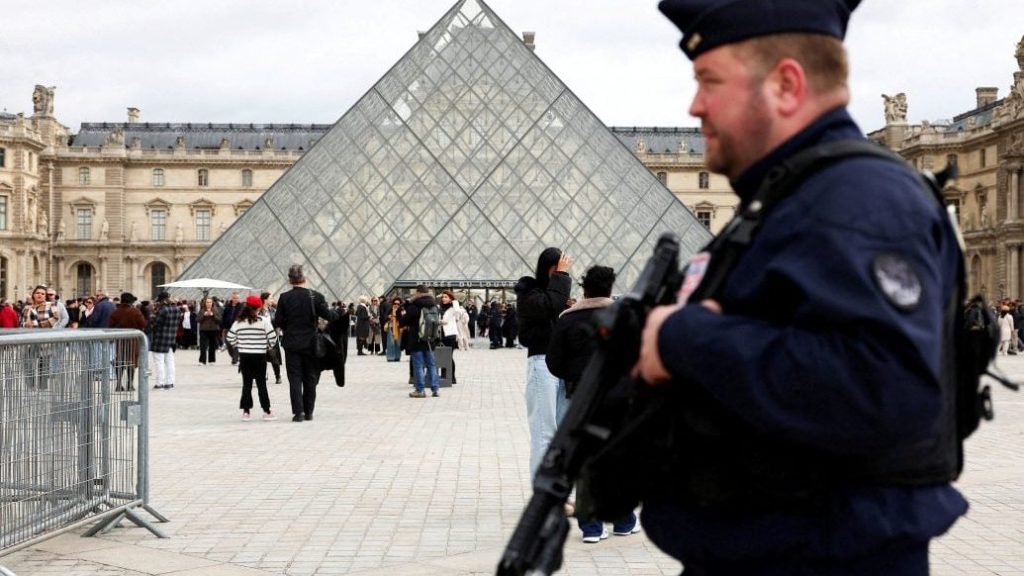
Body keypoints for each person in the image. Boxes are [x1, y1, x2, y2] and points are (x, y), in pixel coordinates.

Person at [634, 1, 967, 573]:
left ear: (786, 85)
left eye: (709, 81)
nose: (695, 105)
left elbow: (884, 388)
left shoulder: (858, 198)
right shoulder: (792, 198)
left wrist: (685, 338)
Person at [545, 265, 637, 543]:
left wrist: (573, 376)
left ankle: (592, 527)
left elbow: (553, 362)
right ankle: (623, 520)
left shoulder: (567, 320)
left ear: (584, 289)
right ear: (610, 288)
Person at [514, 247, 572, 477]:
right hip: (542, 364)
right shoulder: (529, 292)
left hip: (562, 367)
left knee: (561, 433)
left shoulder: (556, 295)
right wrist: (562, 276)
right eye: (559, 269)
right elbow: (549, 306)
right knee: (543, 433)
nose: (564, 273)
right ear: (550, 268)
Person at [272, 264, 338, 422]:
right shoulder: (315, 296)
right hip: (311, 343)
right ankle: (309, 412)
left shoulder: (284, 297)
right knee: (310, 378)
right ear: (305, 278)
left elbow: (278, 321)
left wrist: (289, 327)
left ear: (290, 280)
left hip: (291, 343)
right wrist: (337, 313)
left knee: (295, 379)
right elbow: (329, 316)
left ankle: (298, 413)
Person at [226, 295, 278, 421]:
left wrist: (240, 345)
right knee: (261, 384)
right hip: (260, 356)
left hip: (245, 356)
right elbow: (273, 338)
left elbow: (230, 338)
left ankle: (246, 411)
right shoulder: (263, 321)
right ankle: (266, 411)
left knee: (247, 384)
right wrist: (266, 346)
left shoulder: (239, 322)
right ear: (258, 308)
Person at [400, 285, 441, 398]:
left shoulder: (414, 306)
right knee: (431, 365)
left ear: (418, 292)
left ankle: (420, 390)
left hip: (416, 339)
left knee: (418, 365)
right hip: (430, 340)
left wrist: (407, 305)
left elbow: (403, 321)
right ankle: (435, 389)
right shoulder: (434, 305)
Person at [108, 292, 147, 391]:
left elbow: (110, 326)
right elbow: (143, 324)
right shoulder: (135, 311)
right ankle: (130, 384)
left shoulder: (115, 312)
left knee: (120, 361)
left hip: (120, 340)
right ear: (131, 302)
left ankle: (118, 384)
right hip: (132, 339)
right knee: (131, 361)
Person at [149, 291, 180, 390]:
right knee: (170, 362)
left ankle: (159, 383)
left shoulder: (162, 310)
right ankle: (170, 382)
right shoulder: (176, 309)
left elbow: (154, 324)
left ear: (162, 300)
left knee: (159, 362)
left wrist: (152, 315)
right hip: (171, 339)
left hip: (160, 339)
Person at [197, 297, 222, 365]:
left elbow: (219, 320)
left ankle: (211, 360)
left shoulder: (216, 311)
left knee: (212, 346)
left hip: (213, 330)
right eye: (207, 302)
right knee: (203, 346)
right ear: (205, 303)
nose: (209, 304)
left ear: (212, 303)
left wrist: (213, 315)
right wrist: (204, 315)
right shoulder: (202, 310)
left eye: (210, 302)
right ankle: (202, 361)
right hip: (203, 330)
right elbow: (197, 320)